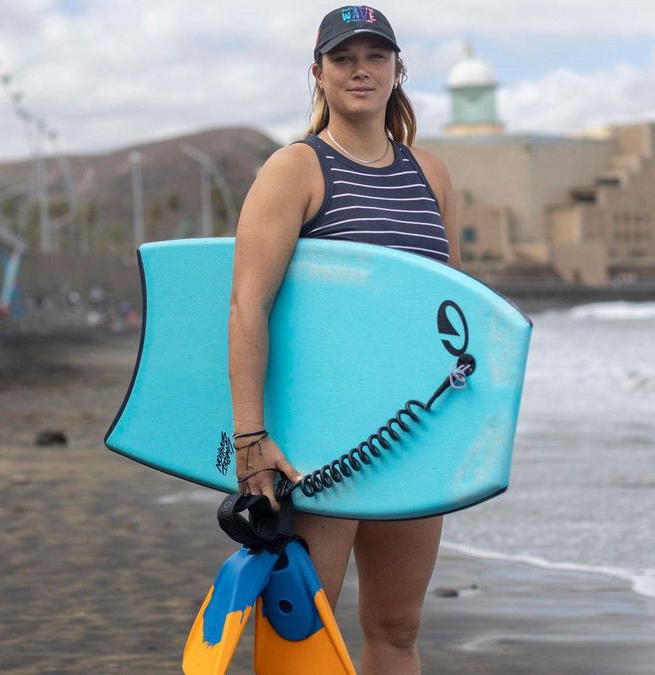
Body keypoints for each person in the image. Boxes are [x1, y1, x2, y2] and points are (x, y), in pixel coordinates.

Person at [227, 7, 459, 674]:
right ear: (319, 73)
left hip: (412, 430)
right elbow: (248, 306)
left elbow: (450, 313)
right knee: (304, 624)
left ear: (397, 71)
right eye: (343, 57)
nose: (361, 68)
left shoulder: (430, 174)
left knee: (397, 624)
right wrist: (251, 438)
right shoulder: (295, 169)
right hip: (320, 437)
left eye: (375, 56)